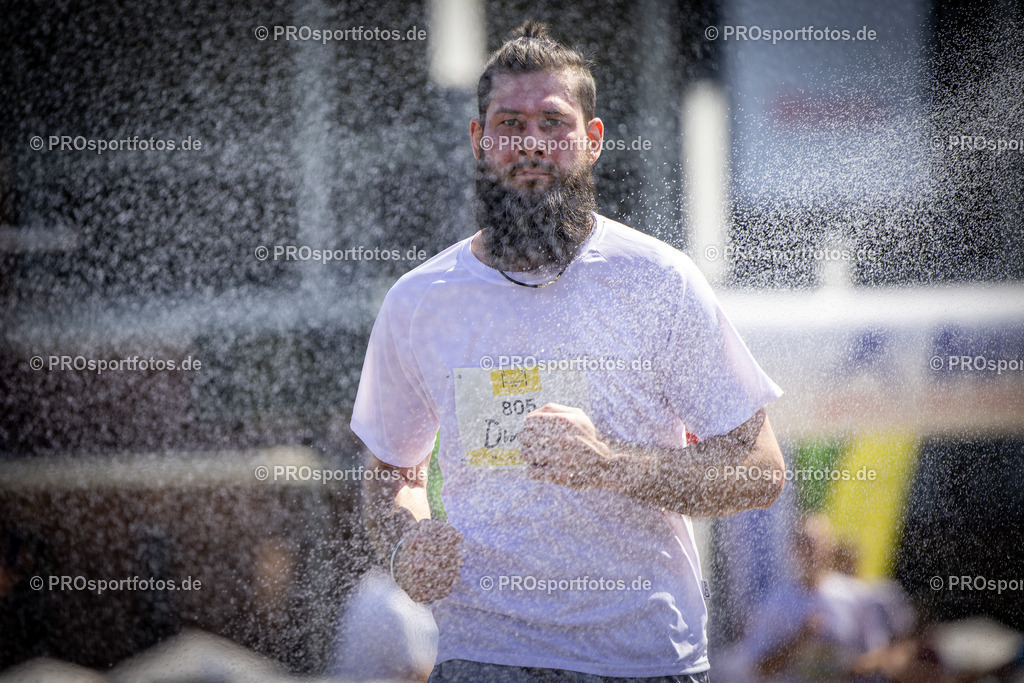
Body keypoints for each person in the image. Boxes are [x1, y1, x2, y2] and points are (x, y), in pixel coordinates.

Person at [351, 20, 785, 682]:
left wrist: (612, 464)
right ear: (478, 141)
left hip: (644, 658)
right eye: (509, 123)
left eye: (553, 123)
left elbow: (760, 471)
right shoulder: (418, 302)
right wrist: (408, 540)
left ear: (593, 141)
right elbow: (391, 474)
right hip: (484, 654)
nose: (531, 143)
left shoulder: (659, 281)